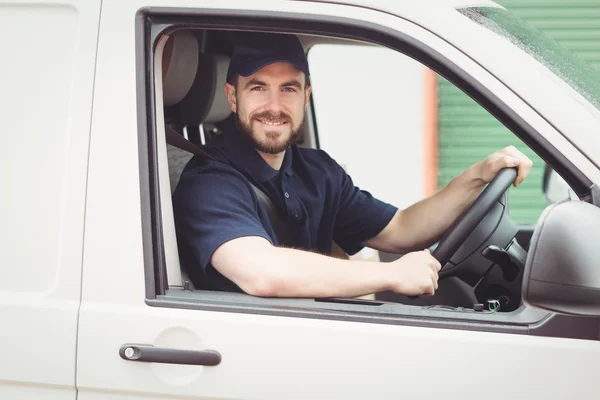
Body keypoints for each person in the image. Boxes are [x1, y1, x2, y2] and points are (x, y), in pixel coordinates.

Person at [172, 32, 533, 298]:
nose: (274, 105)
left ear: (305, 97)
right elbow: (263, 273)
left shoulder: (317, 170)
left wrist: (475, 177)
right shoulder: (209, 181)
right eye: (257, 88)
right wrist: (388, 275)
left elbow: (401, 229)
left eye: (289, 89)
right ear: (232, 97)